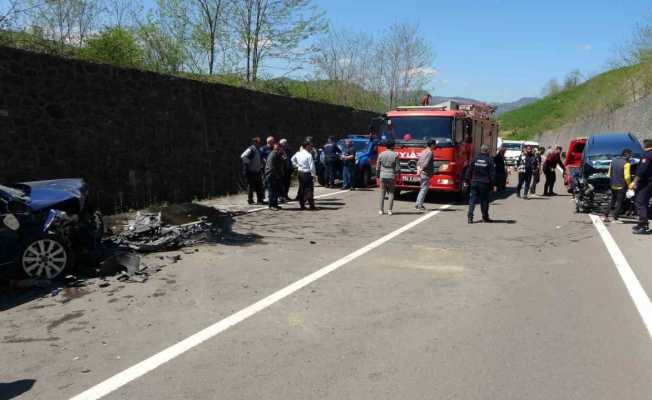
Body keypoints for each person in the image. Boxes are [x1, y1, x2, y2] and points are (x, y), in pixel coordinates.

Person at [465, 144, 496, 224]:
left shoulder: (475, 159)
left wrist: (466, 181)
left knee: (472, 200)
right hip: (484, 183)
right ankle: (485, 217)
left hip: (474, 182)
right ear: (487, 151)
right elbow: (492, 174)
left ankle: (470, 217)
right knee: (484, 201)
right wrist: (493, 185)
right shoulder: (489, 160)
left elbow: (469, 170)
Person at [604, 149, 633, 223]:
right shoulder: (627, 164)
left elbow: (609, 173)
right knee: (619, 202)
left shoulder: (613, 161)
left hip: (613, 184)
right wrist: (630, 185)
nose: (631, 157)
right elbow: (627, 177)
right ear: (627, 155)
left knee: (612, 200)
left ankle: (606, 215)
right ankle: (615, 218)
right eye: (630, 155)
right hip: (621, 185)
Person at [631, 139, 652, 234]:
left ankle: (643, 225)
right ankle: (642, 224)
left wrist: (634, 182)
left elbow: (641, 171)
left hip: (646, 183)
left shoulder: (647, 155)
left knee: (640, 202)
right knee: (645, 202)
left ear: (645, 146)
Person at [376, 139, 400, 215]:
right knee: (391, 193)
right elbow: (397, 168)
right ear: (393, 146)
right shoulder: (395, 155)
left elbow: (377, 167)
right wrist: (398, 176)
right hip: (391, 175)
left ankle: (381, 210)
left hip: (382, 175)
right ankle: (390, 210)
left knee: (382, 193)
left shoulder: (381, 154)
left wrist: (377, 176)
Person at [291, 140, 317, 210]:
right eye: (310, 146)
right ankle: (311, 205)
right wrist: (314, 175)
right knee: (309, 189)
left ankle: (302, 205)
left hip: (300, 173)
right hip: (307, 173)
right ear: (307, 146)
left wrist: (297, 166)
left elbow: (292, 160)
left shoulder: (298, 153)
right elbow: (312, 166)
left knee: (302, 189)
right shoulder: (309, 155)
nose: (310, 147)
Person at [415, 139, 438, 211]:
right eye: (434, 144)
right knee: (424, 189)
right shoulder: (430, 152)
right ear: (432, 145)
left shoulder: (423, 151)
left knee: (422, 188)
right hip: (425, 173)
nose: (435, 146)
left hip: (421, 172)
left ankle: (418, 204)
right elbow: (426, 163)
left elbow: (418, 162)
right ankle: (419, 205)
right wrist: (421, 170)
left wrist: (418, 169)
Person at [240, 137, 264, 205]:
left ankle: (260, 200)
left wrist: (261, 165)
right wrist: (249, 162)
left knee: (259, 186)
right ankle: (250, 200)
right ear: (255, 142)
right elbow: (243, 156)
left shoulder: (258, 149)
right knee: (251, 186)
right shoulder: (251, 149)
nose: (260, 143)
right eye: (258, 142)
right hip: (251, 171)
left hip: (257, 171)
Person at [265, 143, 284, 211]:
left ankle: (275, 204)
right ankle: (271, 205)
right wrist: (276, 175)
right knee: (272, 191)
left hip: (275, 175)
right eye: (281, 148)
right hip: (271, 175)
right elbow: (271, 167)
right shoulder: (273, 155)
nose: (282, 150)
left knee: (275, 191)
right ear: (278, 148)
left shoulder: (278, 155)